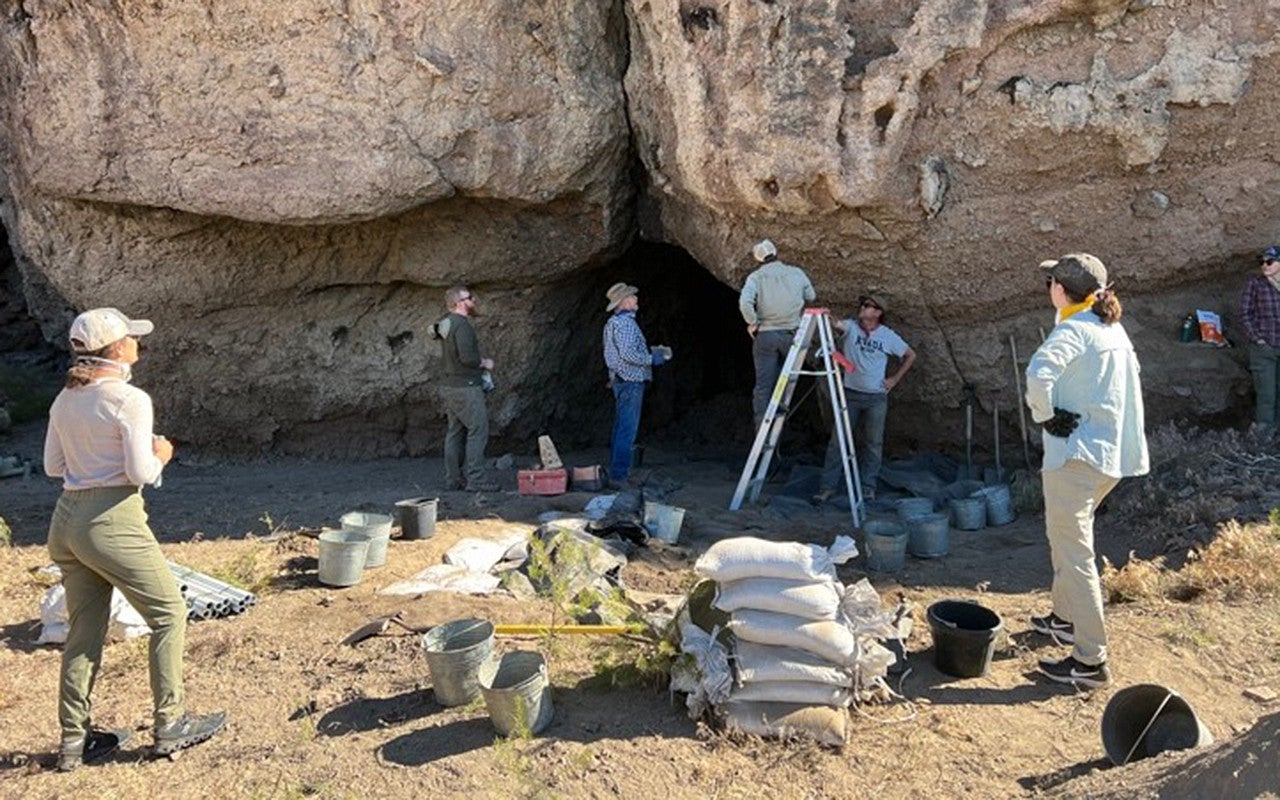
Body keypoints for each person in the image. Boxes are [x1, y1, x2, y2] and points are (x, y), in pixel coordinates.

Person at [43, 308, 226, 771]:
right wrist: (160, 453)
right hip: (112, 518)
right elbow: (141, 472)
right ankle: (170, 724)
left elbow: (52, 467)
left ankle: (73, 742)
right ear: (118, 350)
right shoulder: (130, 399)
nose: (137, 345)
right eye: (132, 338)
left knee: (84, 631)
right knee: (169, 612)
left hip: (66, 520)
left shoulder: (64, 400)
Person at [1025, 253, 1149, 688]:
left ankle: (1090, 659)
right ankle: (1062, 617)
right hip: (1108, 458)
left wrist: (1044, 415)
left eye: (1050, 283)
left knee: (1075, 553)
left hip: (1075, 460)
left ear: (1060, 290)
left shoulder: (1073, 331)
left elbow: (1038, 373)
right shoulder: (1110, 328)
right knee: (1067, 538)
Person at [817, 293, 915, 503]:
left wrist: (894, 379)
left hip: (876, 398)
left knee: (873, 444)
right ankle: (827, 487)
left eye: (868, 306)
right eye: (862, 305)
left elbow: (910, 355)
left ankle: (868, 487)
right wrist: (827, 315)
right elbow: (838, 325)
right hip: (850, 396)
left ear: (878, 313)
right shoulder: (852, 327)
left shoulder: (887, 336)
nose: (862, 308)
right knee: (838, 442)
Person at [738, 239, 816, 429]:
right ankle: (782, 418)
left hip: (766, 335)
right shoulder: (796, 273)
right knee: (787, 378)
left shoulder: (756, 277)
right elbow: (811, 296)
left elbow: (745, 303)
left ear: (758, 259)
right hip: (793, 335)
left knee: (764, 385)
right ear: (776, 253)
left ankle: (762, 429)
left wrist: (753, 322)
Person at [602, 283, 671, 483]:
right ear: (623, 302)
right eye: (632, 297)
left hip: (621, 380)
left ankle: (617, 470)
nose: (636, 299)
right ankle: (620, 474)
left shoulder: (613, 323)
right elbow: (628, 354)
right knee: (627, 428)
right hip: (630, 380)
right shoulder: (624, 324)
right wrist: (652, 359)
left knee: (621, 426)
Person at [432, 286, 498, 492]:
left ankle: (453, 479)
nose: (473, 300)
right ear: (460, 303)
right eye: (469, 298)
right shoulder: (463, 326)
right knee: (478, 430)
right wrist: (485, 363)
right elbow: (468, 358)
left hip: (450, 385)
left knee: (455, 432)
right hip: (466, 387)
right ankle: (476, 480)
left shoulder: (446, 323)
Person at [1241, 245, 1280, 430]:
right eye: (1262, 262)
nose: (1265, 266)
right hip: (1264, 349)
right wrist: (1257, 339)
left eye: (1270, 262)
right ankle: (1263, 442)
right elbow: (1245, 313)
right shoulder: (1255, 284)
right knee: (1266, 395)